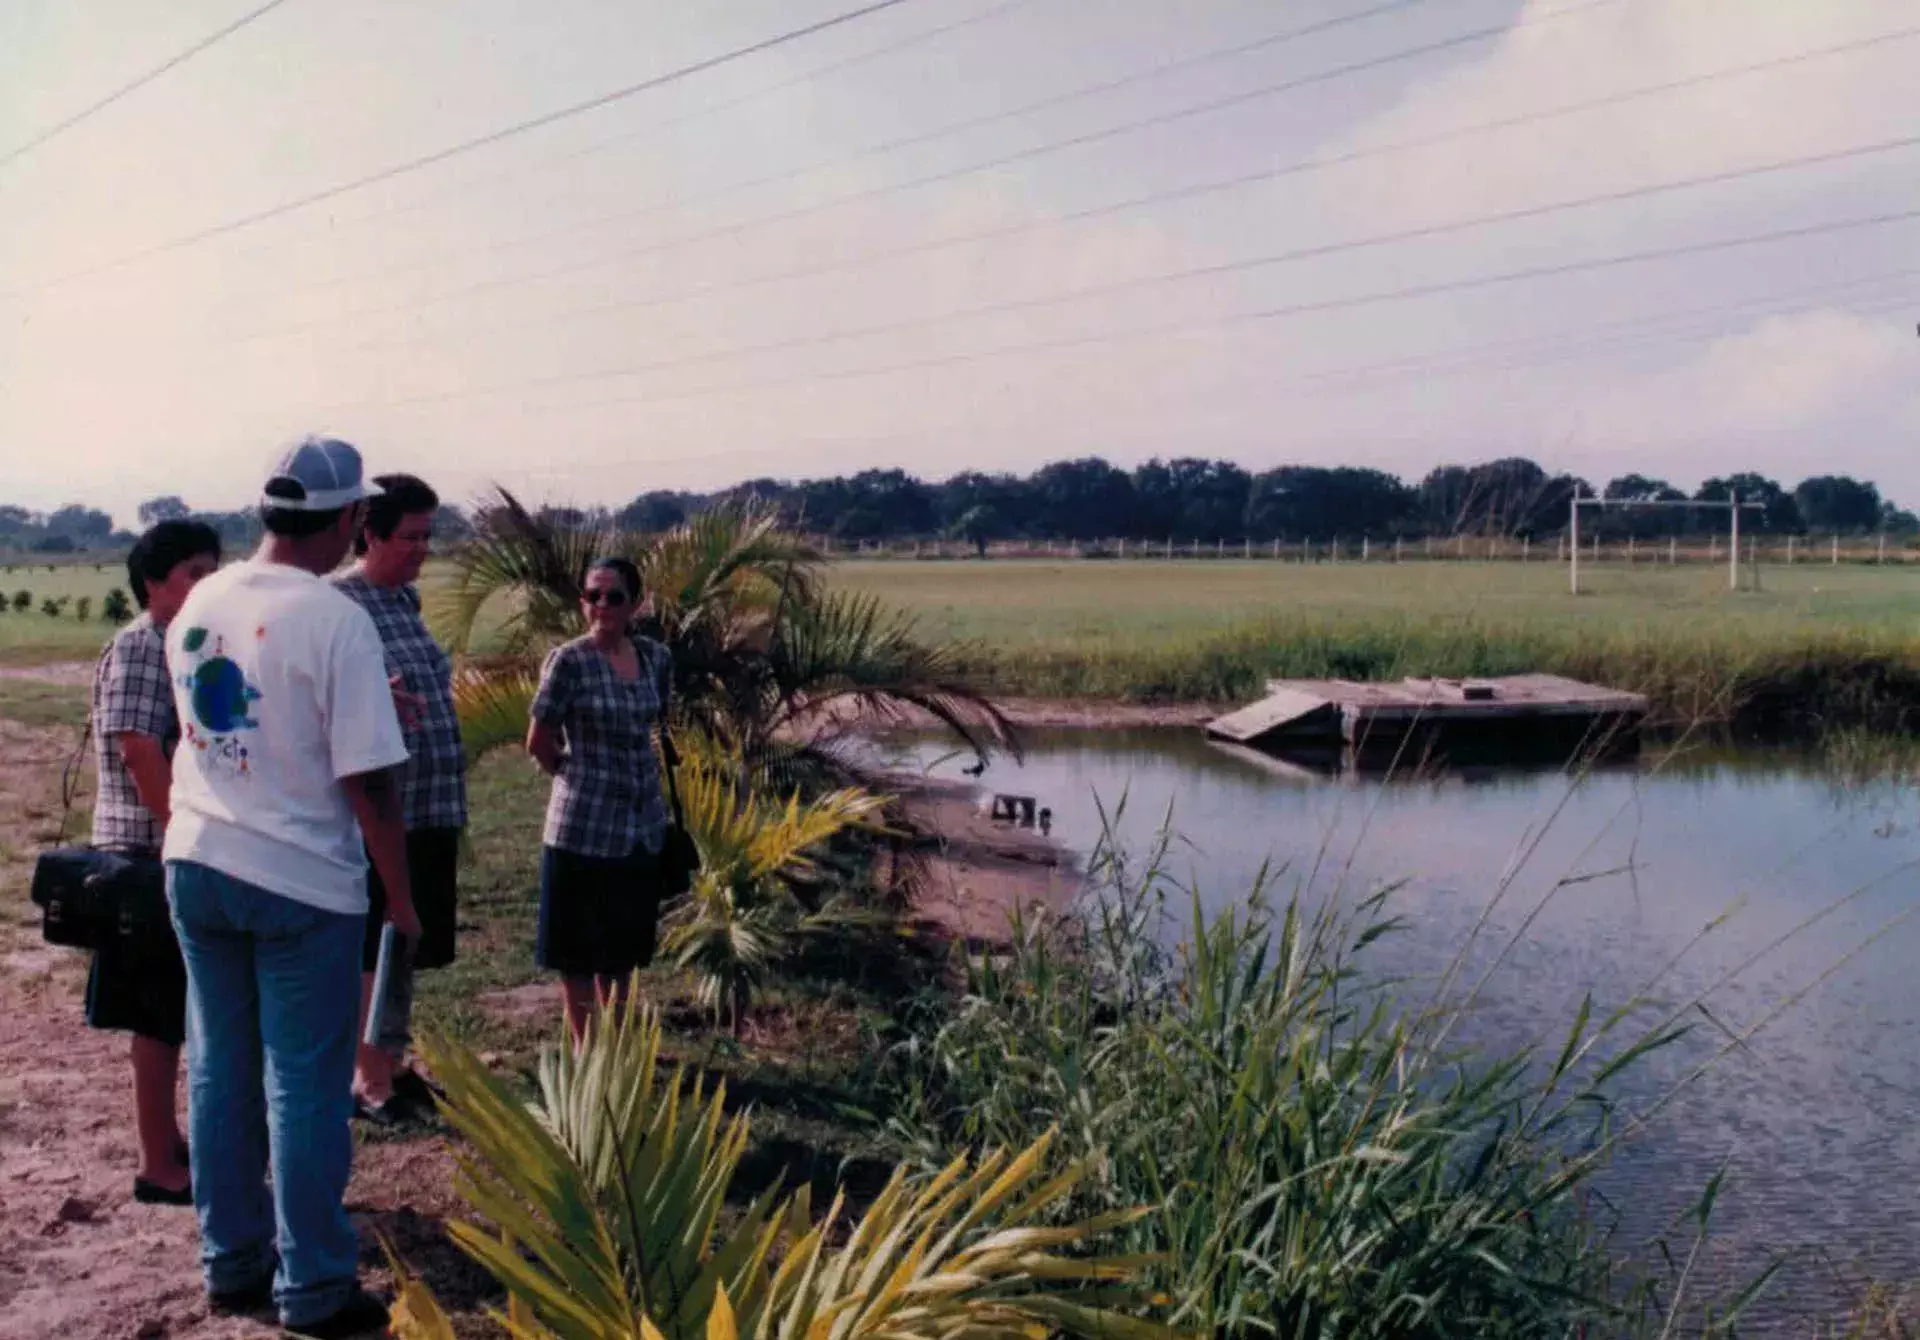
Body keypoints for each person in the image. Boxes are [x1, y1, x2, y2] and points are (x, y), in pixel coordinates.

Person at [163, 436, 418, 1338]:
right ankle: (311, 1285)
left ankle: (232, 1261)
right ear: (350, 520)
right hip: (301, 880)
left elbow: (228, 721)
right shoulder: (336, 619)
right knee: (305, 1085)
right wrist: (403, 898)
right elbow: (372, 785)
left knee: (221, 1069)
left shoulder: (202, 597)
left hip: (197, 861)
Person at [87, 519, 220, 1206]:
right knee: (155, 1013)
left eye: (211, 569)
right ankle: (156, 1163)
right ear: (153, 583)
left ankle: (169, 1142)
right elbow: (139, 752)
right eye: (193, 572)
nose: (207, 583)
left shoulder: (186, 645)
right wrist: (180, 836)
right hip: (145, 852)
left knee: (175, 1006)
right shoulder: (141, 648)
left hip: (173, 847)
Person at [333, 473, 467, 1123]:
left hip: (431, 802)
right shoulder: (339, 603)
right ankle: (367, 1081)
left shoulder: (404, 602)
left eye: (427, 535)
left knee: (404, 942)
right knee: (371, 942)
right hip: (379, 806)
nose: (422, 549)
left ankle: (385, 1060)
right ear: (370, 534)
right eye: (410, 536)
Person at [526, 557, 674, 1046]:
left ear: (635, 602)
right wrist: (574, 776)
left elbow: (656, 722)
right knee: (576, 953)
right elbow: (540, 740)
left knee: (623, 949)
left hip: (640, 826)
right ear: (582, 602)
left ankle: (619, 1046)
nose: (602, 606)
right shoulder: (569, 660)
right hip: (582, 828)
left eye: (614, 596)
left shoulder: (655, 658)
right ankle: (586, 1049)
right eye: (593, 595)